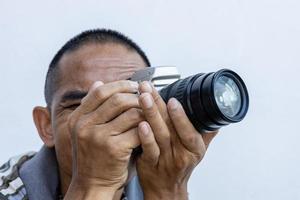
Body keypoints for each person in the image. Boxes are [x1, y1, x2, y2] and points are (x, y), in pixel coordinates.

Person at [0, 29, 217, 200]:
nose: (109, 121)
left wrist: (167, 191)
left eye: (133, 97)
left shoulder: (157, 177)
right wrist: (94, 184)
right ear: (46, 125)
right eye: (81, 105)